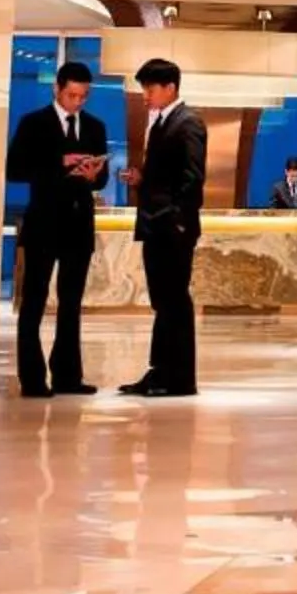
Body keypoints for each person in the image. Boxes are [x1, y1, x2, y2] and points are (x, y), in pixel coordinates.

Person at [4, 59, 108, 399]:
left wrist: (93, 175)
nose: (77, 102)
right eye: (71, 95)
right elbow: (14, 169)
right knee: (33, 301)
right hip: (44, 223)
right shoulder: (33, 123)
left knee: (71, 303)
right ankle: (32, 378)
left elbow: (102, 178)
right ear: (57, 89)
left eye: (83, 96)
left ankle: (67, 376)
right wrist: (59, 162)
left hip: (79, 225)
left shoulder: (94, 127)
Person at [117, 57, 208, 399]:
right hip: (155, 225)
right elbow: (166, 177)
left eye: (150, 89)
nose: (145, 96)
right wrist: (142, 180)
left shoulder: (188, 122)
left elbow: (193, 178)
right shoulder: (161, 123)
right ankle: (161, 372)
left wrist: (177, 220)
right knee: (164, 301)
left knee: (174, 300)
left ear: (170, 88)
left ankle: (179, 379)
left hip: (172, 228)